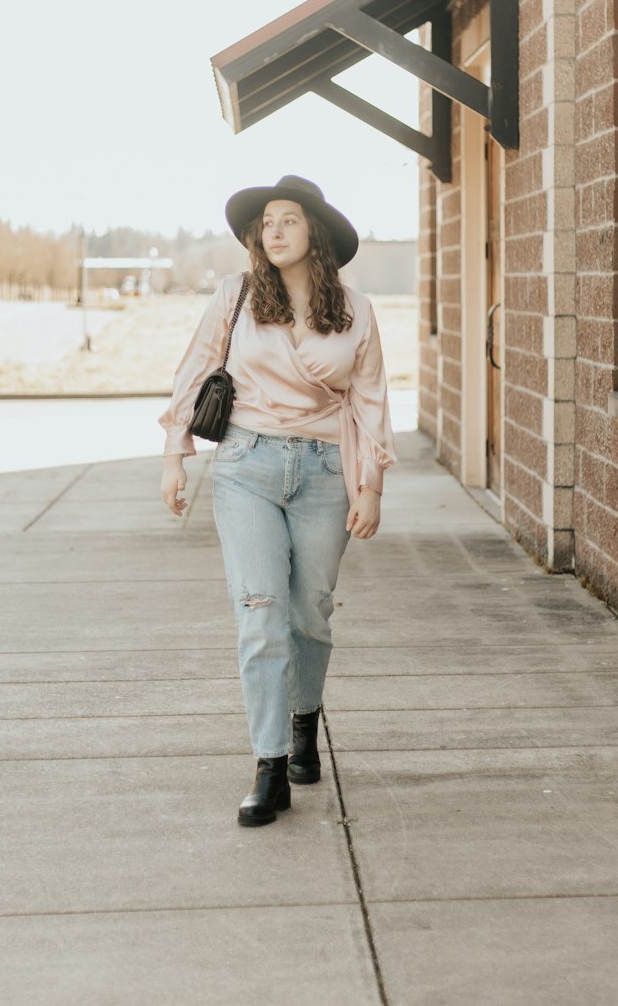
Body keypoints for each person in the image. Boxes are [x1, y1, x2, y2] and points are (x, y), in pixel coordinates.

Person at [159, 175, 396, 828]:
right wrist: (174, 456)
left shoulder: (355, 309)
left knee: (309, 614)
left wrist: (370, 485)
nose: (275, 230)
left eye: (289, 219)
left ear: (314, 232)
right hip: (245, 467)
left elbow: (371, 399)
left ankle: (302, 726)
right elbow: (194, 368)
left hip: (325, 474)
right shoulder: (235, 297)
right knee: (260, 612)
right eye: (267, 223)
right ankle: (267, 768)